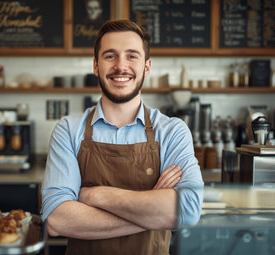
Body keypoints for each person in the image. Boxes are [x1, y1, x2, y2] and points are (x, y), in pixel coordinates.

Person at [41, 19, 203, 254]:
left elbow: (187, 210)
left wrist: (95, 195)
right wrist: (153, 208)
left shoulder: (172, 131)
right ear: (96, 66)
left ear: (147, 67)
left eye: (132, 56)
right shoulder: (68, 129)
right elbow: (56, 219)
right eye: (110, 56)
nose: (121, 66)